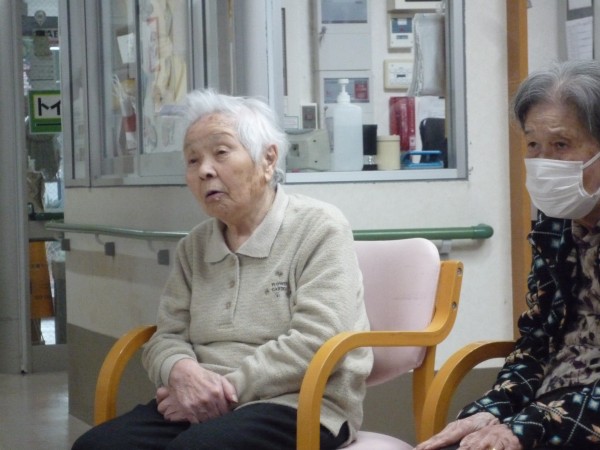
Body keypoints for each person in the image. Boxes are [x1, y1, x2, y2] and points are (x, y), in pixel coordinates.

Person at [72, 90, 373, 450]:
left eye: (221, 152)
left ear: (268, 159)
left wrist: (220, 392)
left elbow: (316, 340)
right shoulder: (195, 247)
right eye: (192, 160)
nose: (205, 170)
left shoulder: (319, 227)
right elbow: (166, 337)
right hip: (198, 404)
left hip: (299, 404)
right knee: (97, 446)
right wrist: (181, 373)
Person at [417, 60, 600, 450]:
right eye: (533, 145)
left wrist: (527, 427)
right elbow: (538, 339)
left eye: (561, 145)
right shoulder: (556, 225)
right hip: (551, 405)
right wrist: (493, 409)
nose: (543, 161)